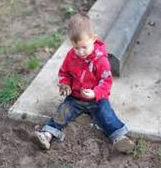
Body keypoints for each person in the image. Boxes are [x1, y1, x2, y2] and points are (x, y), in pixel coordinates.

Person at [34, 13, 135, 153]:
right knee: (62, 112)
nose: (80, 52)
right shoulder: (71, 56)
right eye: (76, 48)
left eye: (84, 47)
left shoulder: (101, 60)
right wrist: (65, 84)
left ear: (93, 39)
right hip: (75, 98)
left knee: (106, 114)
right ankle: (47, 134)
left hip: (96, 99)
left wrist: (95, 92)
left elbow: (106, 81)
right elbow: (64, 72)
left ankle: (119, 137)